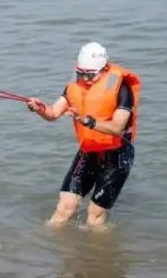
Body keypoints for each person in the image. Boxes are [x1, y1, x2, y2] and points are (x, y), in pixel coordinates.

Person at [26, 42, 141, 230]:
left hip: (117, 154)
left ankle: (99, 257)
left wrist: (90, 122)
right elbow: (54, 113)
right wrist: (39, 109)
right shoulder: (75, 84)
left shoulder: (121, 88)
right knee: (65, 207)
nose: (84, 78)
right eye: (81, 73)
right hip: (89, 150)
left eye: (89, 75)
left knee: (94, 217)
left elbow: (118, 127)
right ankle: (42, 246)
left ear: (104, 69)